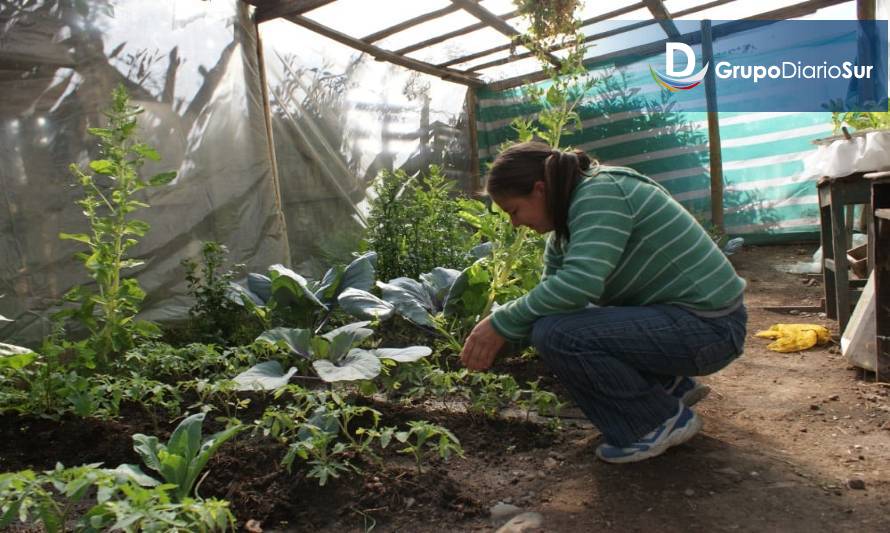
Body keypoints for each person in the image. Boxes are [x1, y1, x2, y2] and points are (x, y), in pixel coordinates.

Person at [459, 141, 747, 464]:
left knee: (557, 335)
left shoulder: (599, 194)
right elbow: (552, 301)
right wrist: (494, 339)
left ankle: (653, 424)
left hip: (712, 327)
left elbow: (577, 284)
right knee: (557, 323)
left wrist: (499, 323)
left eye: (514, 210)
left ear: (539, 190)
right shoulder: (564, 233)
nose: (514, 223)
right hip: (691, 321)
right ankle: (668, 386)